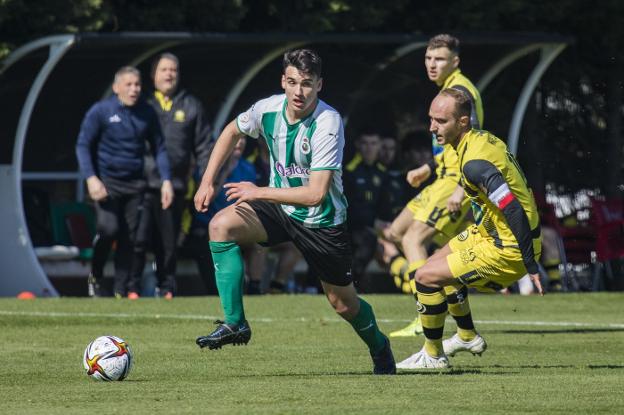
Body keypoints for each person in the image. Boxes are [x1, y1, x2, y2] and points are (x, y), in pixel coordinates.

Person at [193, 48, 396, 374]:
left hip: (323, 222)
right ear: (282, 82)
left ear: (319, 85)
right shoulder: (267, 109)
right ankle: (235, 323)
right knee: (221, 226)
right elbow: (231, 131)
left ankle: (380, 346)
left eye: (306, 83)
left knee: (342, 304)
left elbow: (315, 194)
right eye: (292, 82)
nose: (298, 91)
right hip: (279, 209)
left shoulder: (328, 123)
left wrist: (258, 191)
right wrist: (207, 181)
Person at [396, 88, 542, 369]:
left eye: (440, 121)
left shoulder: (474, 162)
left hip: (507, 248)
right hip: (489, 234)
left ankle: (433, 355)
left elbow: (512, 208)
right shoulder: (479, 141)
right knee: (435, 265)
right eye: (431, 119)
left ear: (462, 122)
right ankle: (466, 335)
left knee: (425, 277)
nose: (431, 127)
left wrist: (531, 264)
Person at [385, 33, 483, 337]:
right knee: (395, 232)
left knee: (413, 240)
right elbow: (449, 146)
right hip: (442, 177)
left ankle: (426, 311)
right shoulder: (448, 88)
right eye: (428, 58)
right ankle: (444, 289)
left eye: (439, 59)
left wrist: (461, 187)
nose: (431, 64)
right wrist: (427, 168)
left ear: (455, 61)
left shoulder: (460, 90)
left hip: (455, 180)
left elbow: (475, 141)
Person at [76, 66, 173, 298]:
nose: (134, 89)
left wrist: (166, 180)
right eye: (128, 85)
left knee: (131, 238)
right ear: (116, 87)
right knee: (108, 230)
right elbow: (83, 145)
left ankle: (120, 289)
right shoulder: (101, 111)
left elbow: (159, 148)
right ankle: (95, 277)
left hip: (135, 184)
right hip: (107, 184)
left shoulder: (147, 112)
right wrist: (91, 178)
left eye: (137, 84)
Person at [127, 53, 212, 299]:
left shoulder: (191, 105)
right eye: (164, 69)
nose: (169, 74)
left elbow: (205, 146)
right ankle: (131, 288)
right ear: (153, 76)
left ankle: (167, 288)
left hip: (175, 186)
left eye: (173, 69)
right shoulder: (142, 105)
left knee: (169, 242)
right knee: (138, 239)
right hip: (142, 185)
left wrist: (206, 180)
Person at [343, 131, 387, 290]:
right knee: (366, 240)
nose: (369, 148)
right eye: (365, 143)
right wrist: (373, 222)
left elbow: (385, 205)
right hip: (351, 228)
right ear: (357, 146)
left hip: (377, 228)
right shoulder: (348, 171)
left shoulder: (382, 172)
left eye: (373, 143)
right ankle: (353, 285)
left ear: (380, 146)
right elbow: (348, 207)